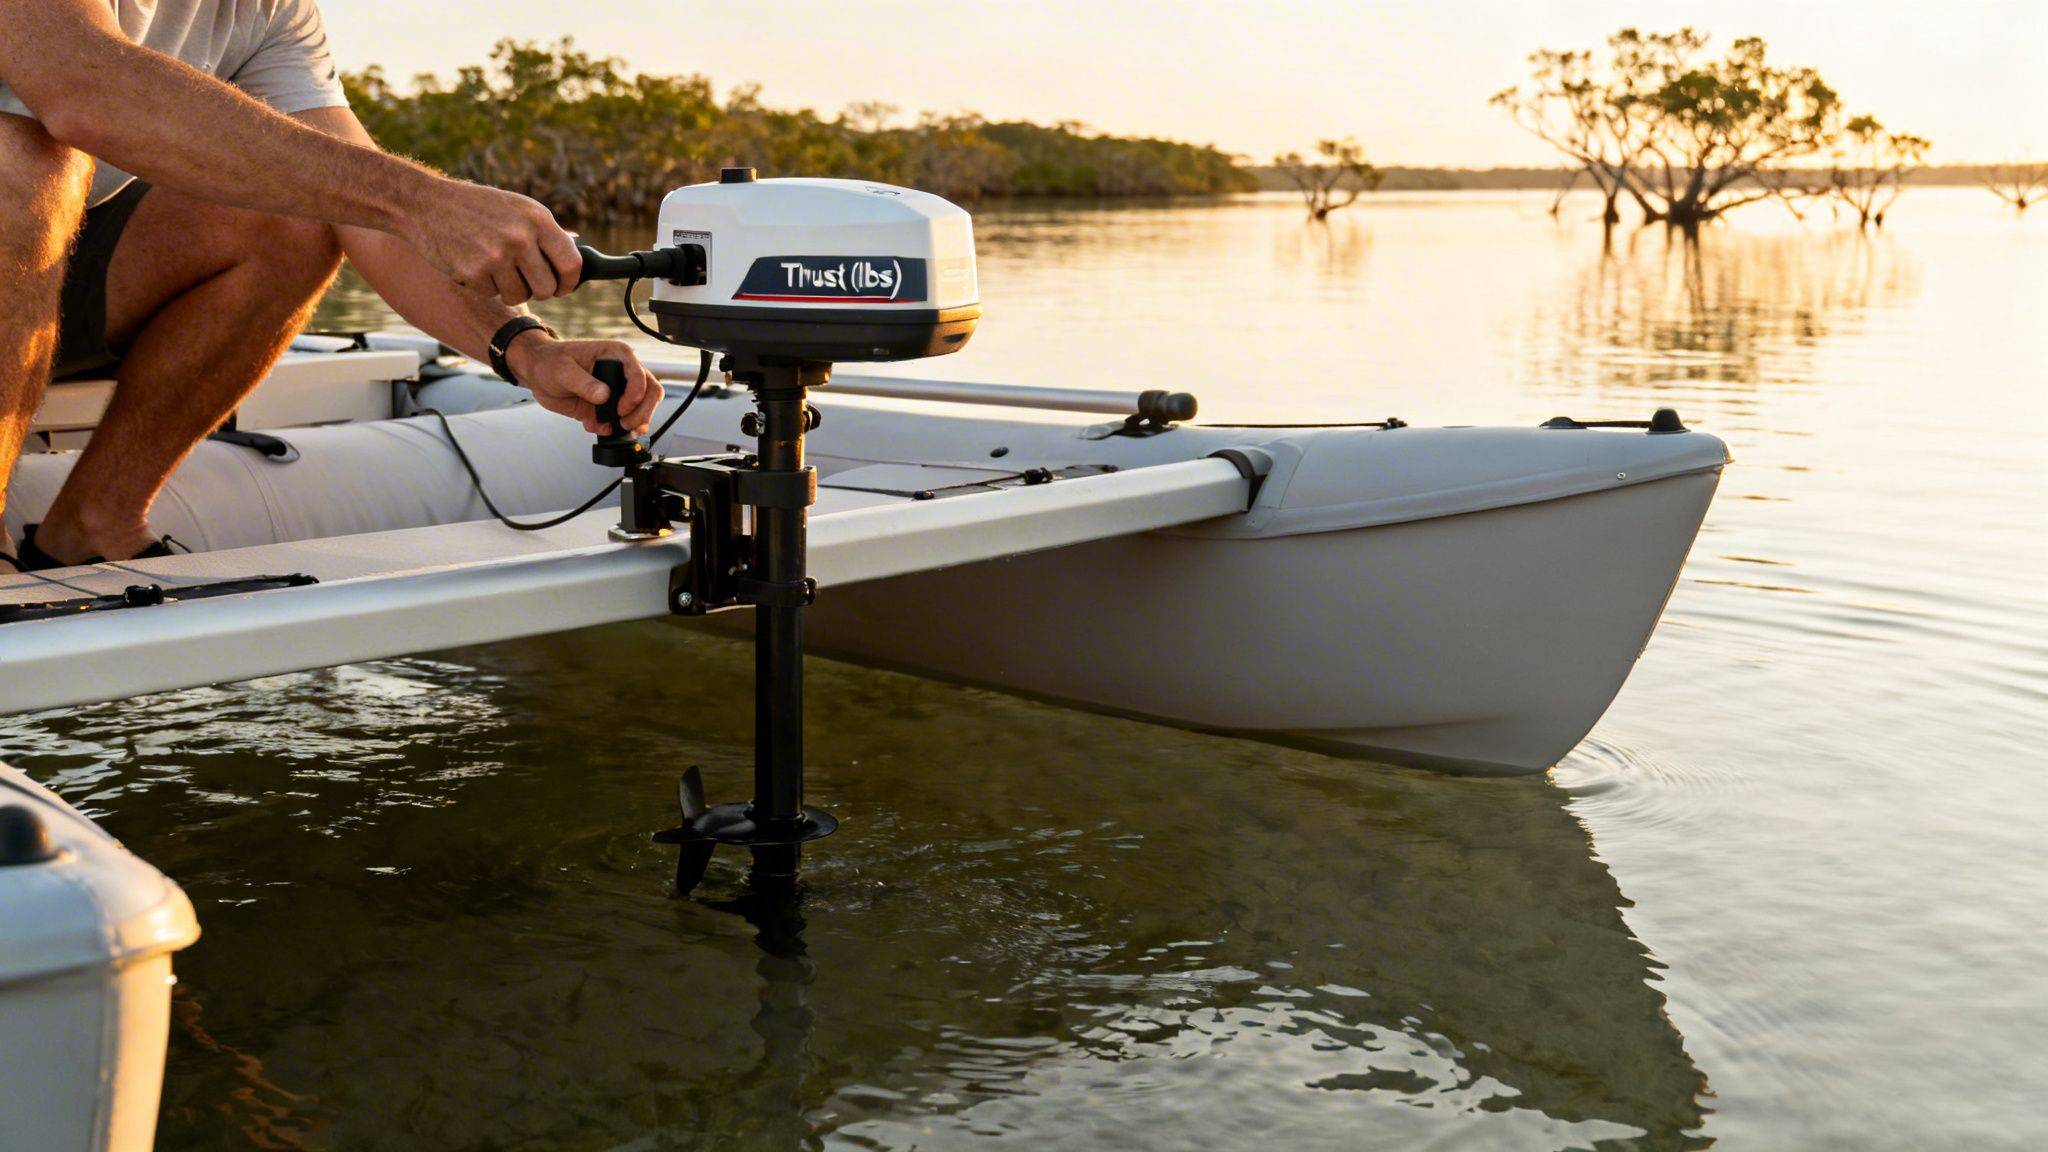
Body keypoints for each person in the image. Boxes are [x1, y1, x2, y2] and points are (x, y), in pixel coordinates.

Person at [0, 0, 664, 570]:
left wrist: (528, 350)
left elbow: (367, 211)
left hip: (57, 274)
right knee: (19, 159)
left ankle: (93, 526)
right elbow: (81, 84)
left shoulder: (271, 12)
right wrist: (421, 198)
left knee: (300, 210)